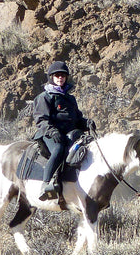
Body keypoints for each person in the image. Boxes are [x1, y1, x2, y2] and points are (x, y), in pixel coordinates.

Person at [32, 61, 95, 200]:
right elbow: (41, 119)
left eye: (63, 75)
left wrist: (87, 123)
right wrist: (52, 131)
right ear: (51, 77)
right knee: (59, 149)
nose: (60, 78)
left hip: (69, 134)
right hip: (50, 134)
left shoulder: (70, 98)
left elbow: (77, 119)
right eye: (57, 75)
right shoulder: (44, 97)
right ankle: (46, 185)